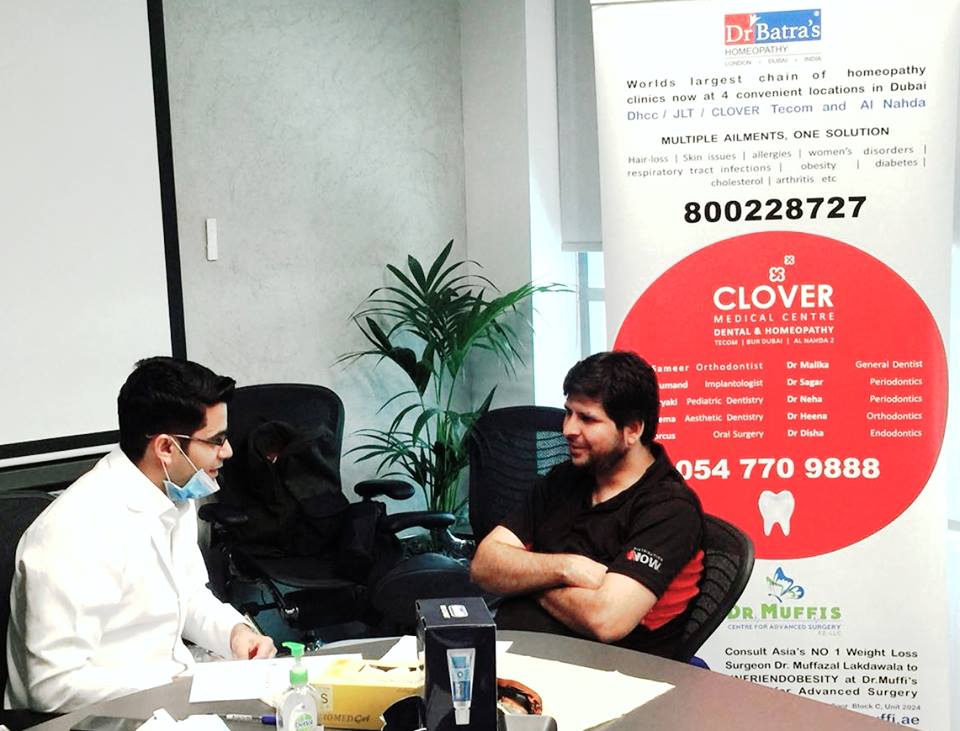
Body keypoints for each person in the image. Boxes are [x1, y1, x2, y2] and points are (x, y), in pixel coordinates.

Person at [4, 357, 276, 713]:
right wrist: (177, 687)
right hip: (87, 718)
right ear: (166, 448)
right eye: (217, 440)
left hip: (162, 700)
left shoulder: (173, 494)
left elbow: (186, 596)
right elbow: (52, 687)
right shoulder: (74, 531)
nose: (228, 452)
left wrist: (234, 632)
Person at [470, 351, 704, 658]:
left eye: (587, 419)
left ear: (633, 430)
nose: (568, 429)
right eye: (568, 413)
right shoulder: (563, 479)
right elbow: (484, 565)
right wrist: (568, 568)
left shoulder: (670, 509)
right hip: (516, 656)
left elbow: (605, 620)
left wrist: (526, 579)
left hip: (606, 674)